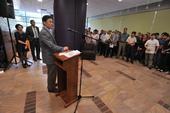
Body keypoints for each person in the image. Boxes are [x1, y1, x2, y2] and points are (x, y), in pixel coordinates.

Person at [39, 15, 69, 93]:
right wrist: (62, 49)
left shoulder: (49, 30)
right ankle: (51, 88)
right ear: (44, 23)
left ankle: (51, 84)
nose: (52, 23)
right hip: (49, 56)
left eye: (52, 21)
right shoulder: (43, 32)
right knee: (52, 73)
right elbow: (51, 45)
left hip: (52, 55)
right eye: (50, 21)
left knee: (52, 72)